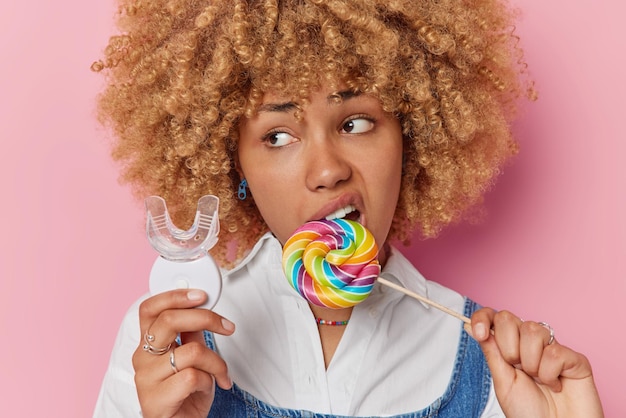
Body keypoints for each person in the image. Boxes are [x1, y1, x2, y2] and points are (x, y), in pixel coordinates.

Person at [92, 0, 604, 417]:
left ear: (413, 137)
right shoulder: (167, 347)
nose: (327, 170)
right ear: (233, 169)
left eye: (356, 123)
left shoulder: (497, 370)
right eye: (277, 135)